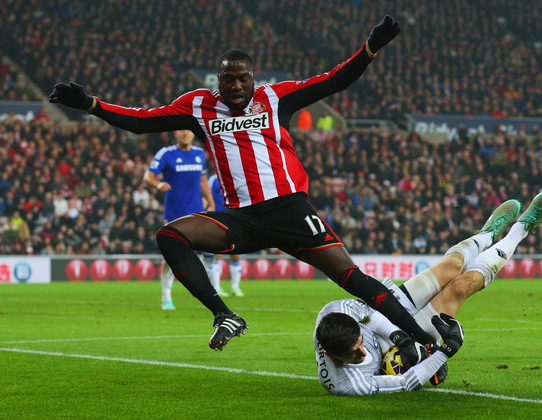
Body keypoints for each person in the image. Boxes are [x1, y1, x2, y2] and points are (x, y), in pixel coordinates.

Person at [49, 16, 437, 351]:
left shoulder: (274, 97)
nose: (235, 85)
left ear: (253, 77)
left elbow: (335, 80)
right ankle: (225, 315)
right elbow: (140, 119)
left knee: (350, 277)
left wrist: (371, 47)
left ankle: (425, 338)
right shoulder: (198, 105)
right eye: (227, 78)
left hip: (289, 209)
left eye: (242, 78)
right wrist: (91, 105)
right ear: (218, 80)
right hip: (242, 218)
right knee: (169, 236)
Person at [314, 192, 542, 395]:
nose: (362, 352)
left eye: (359, 343)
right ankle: (521, 230)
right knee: (461, 286)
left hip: (388, 314)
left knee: (451, 267)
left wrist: (401, 337)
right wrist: (442, 352)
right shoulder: (348, 384)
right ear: (330, 354)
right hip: (395, 356)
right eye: (353, 354)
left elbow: (371, 315)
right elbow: (403, 383)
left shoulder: (337, 311)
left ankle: (486, 234)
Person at [143, 130, 215, 310]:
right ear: (176, 133)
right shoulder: (166, 154)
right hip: (174, 215)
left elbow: (203, 182)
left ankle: (209, 296)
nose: (185, 134)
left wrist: (211, 204)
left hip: (196, 214)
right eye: (182, 131)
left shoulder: (199, 153)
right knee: (171, 259)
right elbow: (147, 176)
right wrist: (158, 184)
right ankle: (166, 297)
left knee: (205, 253)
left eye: (189, 131)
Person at [203, 173, 243, 297]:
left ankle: (235, 287)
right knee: (217, 253)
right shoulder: (213, 179)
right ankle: (216, 287)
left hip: (233, 219)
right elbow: (206, 196)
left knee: (235, 254)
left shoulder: (237, 177)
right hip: (218, 220)